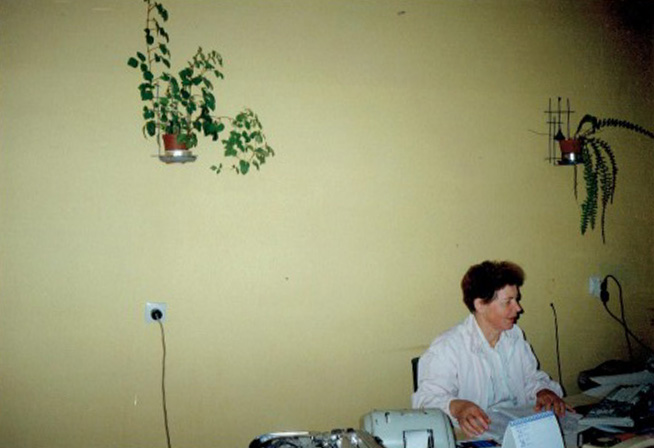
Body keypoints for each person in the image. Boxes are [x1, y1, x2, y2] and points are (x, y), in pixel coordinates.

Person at [411, 260, 571, 438]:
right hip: (473, 434)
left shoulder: (514, 336)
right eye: (508, 302)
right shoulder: (448, 347)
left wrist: (543, 391)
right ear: (480, 305)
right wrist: (458, 407)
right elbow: (425, 401)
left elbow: (530, 378)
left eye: (516, 299)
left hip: (517, 430)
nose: (518, 308)